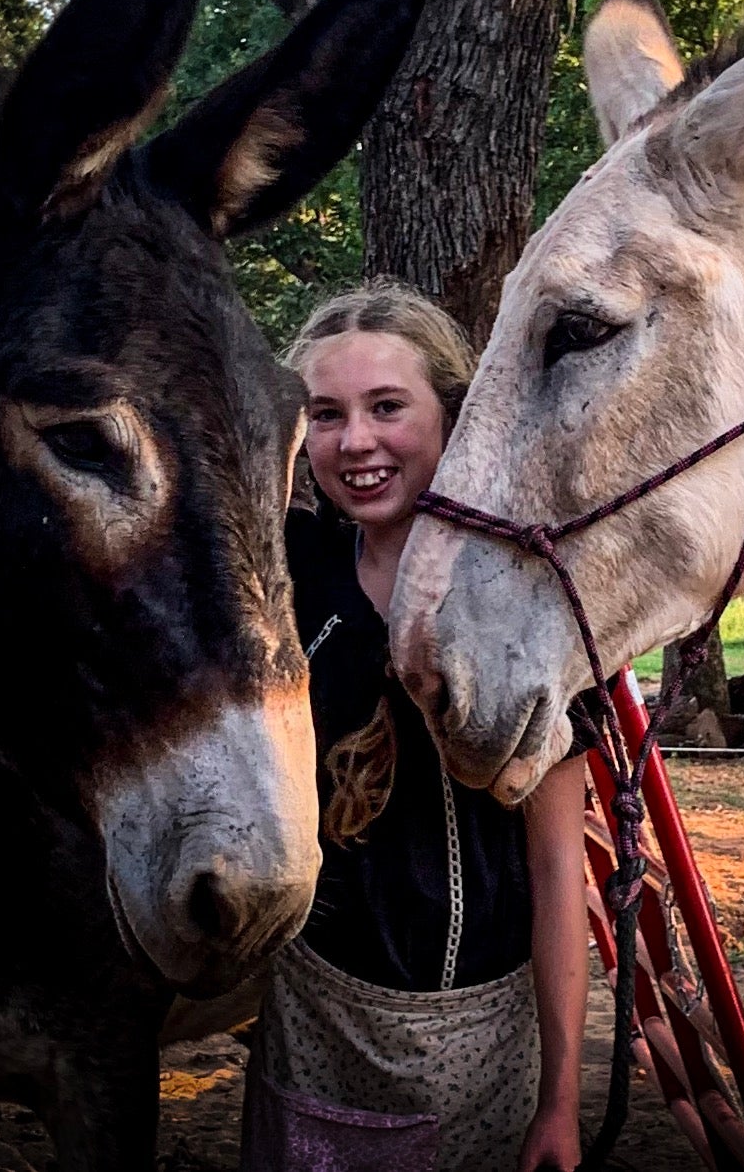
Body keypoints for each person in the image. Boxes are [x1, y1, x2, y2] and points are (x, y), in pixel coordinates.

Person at [242, 280, 588, 1172]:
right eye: (327, 413)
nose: (356, 441)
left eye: (387, 406)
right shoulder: (290, 581)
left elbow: (556, 863)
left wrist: (560, 1101)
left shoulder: (525, 604)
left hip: (486, 1034)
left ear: (453, 414)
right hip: (314, 1016)